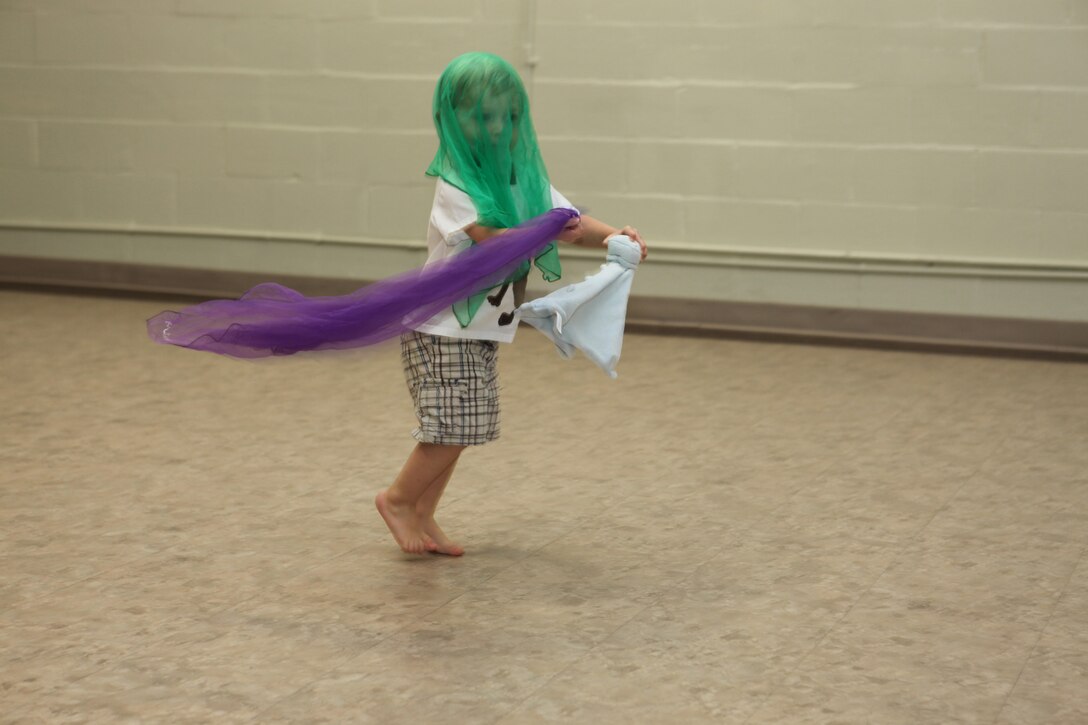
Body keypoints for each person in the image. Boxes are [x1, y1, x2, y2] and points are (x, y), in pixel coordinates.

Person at [375, 52, 647, 556]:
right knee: (456, 426)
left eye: (508, 116)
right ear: (452, 120)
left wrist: (615, 236)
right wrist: (542, 228)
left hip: (478, 327)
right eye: (483, 117)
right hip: (440, 328)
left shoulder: (523, 179)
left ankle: (423, 511)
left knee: (461, 426)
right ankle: (398, 499)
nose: (498, 128)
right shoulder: (456, 184)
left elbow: (570, 222)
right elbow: (493, 238)